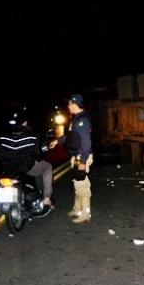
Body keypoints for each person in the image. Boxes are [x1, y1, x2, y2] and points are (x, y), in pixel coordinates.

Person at [0, 106, 54, 226]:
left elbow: (1, 155)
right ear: (25, 121)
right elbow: (38, 154)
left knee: (3, 187)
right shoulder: (31, 134)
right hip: (27, 168)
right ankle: (46, 198)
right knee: (47, 167)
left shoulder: (4, 136)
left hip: (9, 169)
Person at [49, 94, 93, 224]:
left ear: (75, 104)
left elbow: (86, 142)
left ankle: (85, 214)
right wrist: (57, 141)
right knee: (78, 183)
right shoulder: (76, 119)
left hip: (81, 156)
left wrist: (83, 161)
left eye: (69, 104)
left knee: (82, 185)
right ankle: (77, 209)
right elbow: (70, 136)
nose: (68, 106)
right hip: (77, 156)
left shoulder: (82, 120)